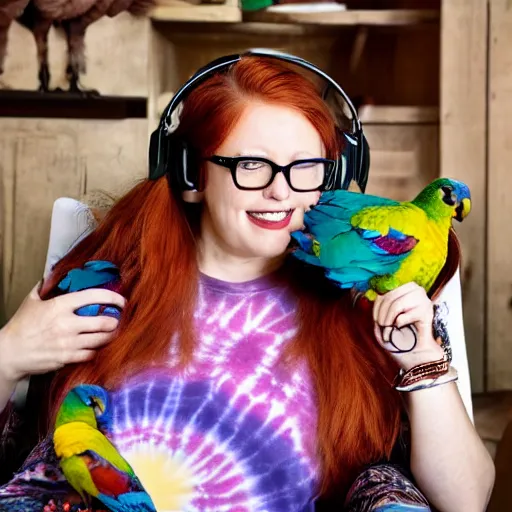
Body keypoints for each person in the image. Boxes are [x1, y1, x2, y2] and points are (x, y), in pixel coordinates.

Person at [0, 52, 494, 511]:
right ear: (192, 174)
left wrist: (423, 362)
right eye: (251, 164)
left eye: (306, 167)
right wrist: (10, 354)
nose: (281, 191)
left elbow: (466, 500)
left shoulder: (368, 303)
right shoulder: (107, 287)